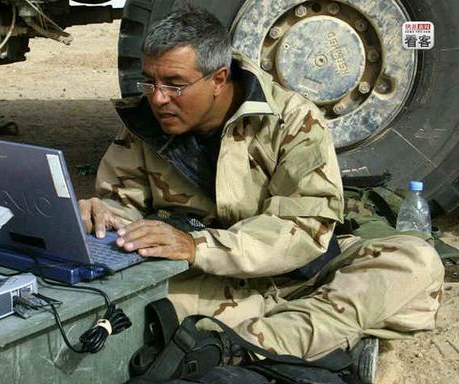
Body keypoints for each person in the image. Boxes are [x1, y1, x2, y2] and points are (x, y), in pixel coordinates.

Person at [79, 5, 444, 362]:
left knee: (415, 262)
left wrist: (197, 246)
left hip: (298, 273)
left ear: (218, 79)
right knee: (113, 309)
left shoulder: (292, 119)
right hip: (207, 282)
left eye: (175, 85)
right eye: (150, 81)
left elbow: (306, 229)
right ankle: (295, 340)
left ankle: (237, 345)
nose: (158, 98)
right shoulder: (147, 123)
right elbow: (123, 206)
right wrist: (102, 216)